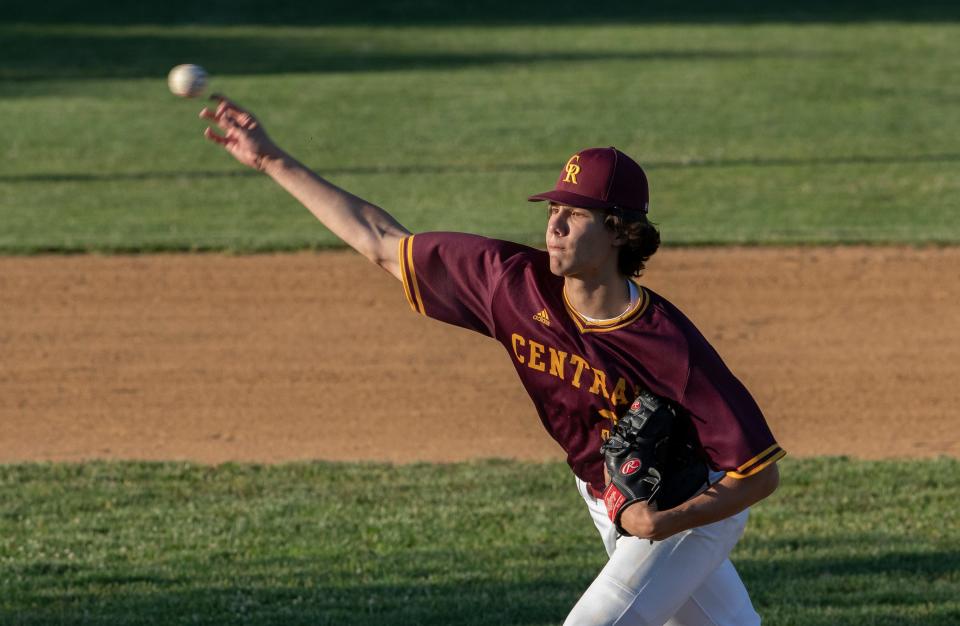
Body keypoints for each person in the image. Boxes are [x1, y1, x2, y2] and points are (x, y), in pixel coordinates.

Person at [200, 95, 785, 626]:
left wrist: (662, 524)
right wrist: (270, 160)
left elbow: (759, 473)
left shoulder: (669, 346)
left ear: (618, 233)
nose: (552, 225)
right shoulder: (510, 284)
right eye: (553, 208)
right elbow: (381, 240)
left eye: (573, 215)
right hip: (612, 500)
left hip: (688, 506)